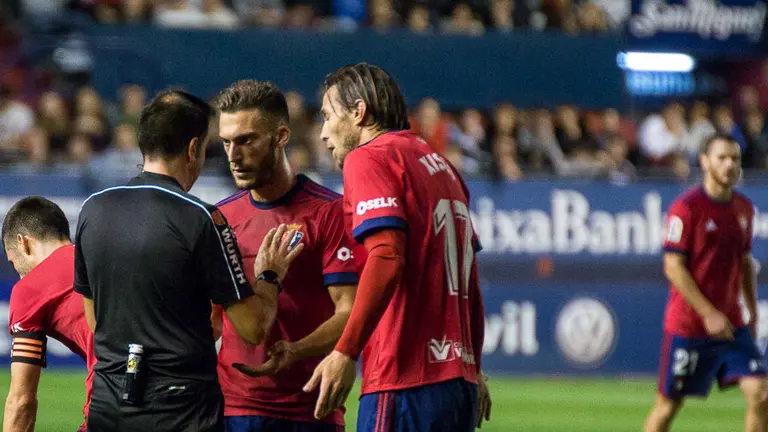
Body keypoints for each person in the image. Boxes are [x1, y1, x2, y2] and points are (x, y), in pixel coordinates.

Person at [74, 89, 304, 432]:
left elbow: (95, 320)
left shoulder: (93, 209)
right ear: (193, 148)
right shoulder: (203, 218)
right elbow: (252, 328)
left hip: (110, 401)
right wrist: (269, 276)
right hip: (181, 408)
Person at [303, 63, 491, 431]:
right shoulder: (444, 168)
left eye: (328, 116)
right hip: (460, 385)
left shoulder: (369, 157)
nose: (324, 133)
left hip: (404, 378)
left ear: (359, 112)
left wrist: (345, 350)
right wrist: (475, 366)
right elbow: (470, 283)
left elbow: (387, 255)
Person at [209, 80, 360, 432]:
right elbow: (211, 319)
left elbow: (349, 311)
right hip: (233, 410)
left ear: (280, 136)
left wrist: (297, 349)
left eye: (246, 140)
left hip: (309, 410)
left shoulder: (329, 213)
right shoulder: (219, 218)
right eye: (227, 142)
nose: (233, 155)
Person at [644, 134, 768, 432]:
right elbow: (673, 267)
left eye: (735, 159)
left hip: (731, 327)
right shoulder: (686, 209)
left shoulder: (744, 209)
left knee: (762, 394)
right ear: (704, 162)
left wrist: (751, 310)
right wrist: (707, 312)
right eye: (722, 158)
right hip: (690, 327)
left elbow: (745, 263)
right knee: (667, 407)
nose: (729, 165)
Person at [1, 196, 95, 432]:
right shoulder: (97, 259)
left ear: (24, 243)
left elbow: (21, 401)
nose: (20, 274)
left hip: (116, 402)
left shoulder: (29, 288)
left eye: (14, 263)